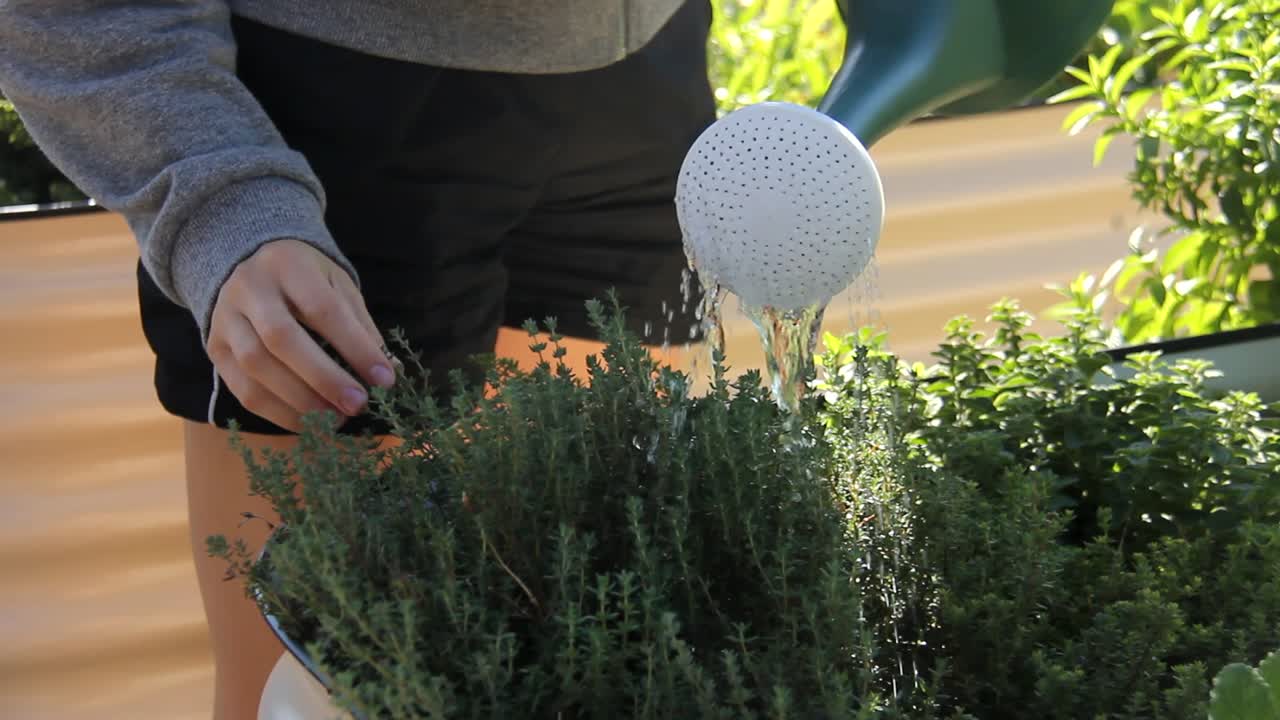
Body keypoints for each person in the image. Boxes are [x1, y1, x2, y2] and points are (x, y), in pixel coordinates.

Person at [0, 1, 714, 716]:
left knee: (593, 663)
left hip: (643, 81)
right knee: (309, 699)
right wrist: (221, 197)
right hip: (335, 113)